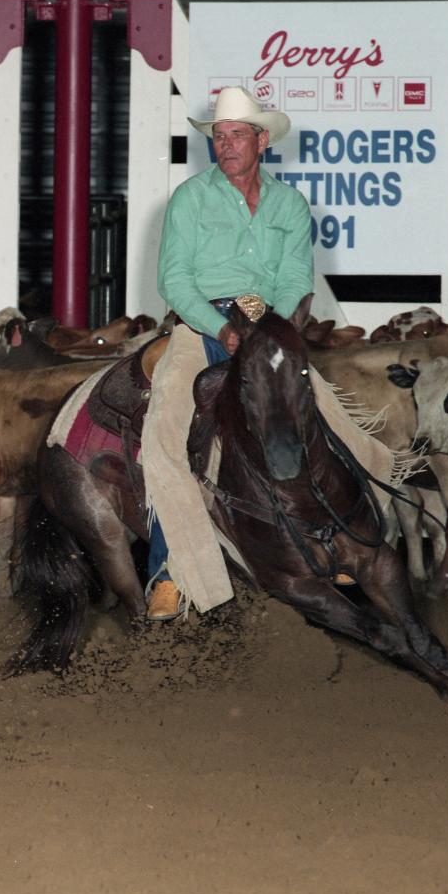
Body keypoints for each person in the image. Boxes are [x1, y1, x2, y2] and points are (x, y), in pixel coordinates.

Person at [145, 84, 315, 619]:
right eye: (219, 137)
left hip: (269, 323)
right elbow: (174, 280)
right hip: (204, 328)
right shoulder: (191, 199)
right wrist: (221, 330)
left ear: (261, 140)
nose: (226, 145)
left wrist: (270, 329)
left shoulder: (289, 205)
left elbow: (295, 277)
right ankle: (169, 570)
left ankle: (335, 541)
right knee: (165, 434)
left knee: (327, 419)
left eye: (237, 135)